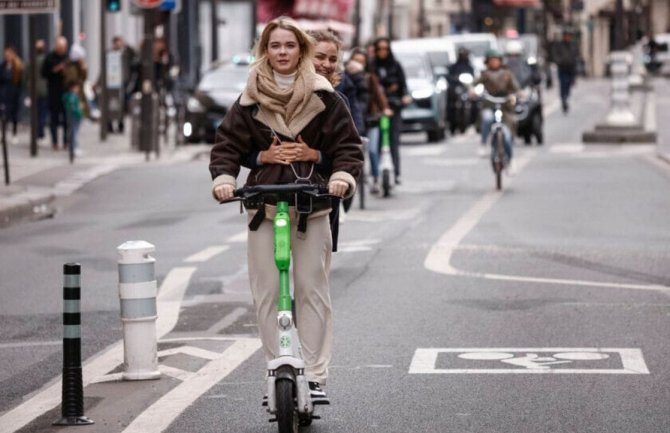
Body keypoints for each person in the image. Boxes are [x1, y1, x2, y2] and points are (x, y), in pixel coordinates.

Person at [209, 16, 363, 400]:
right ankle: (276, 367)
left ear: (302, 50)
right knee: (265, 290)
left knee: (311, 288)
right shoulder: (248, 98)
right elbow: (226, 145)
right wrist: (227, 178)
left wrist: (341, 175)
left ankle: (315, 374)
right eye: (275, 46)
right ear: (265, 51)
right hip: (263, 204)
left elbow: (348, 146)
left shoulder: (326, 96)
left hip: (312, 204)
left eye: (290, 46)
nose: (282, 52)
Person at [307, 29, 363, 220]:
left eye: (333, 59)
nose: (326, 64)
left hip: (322, 191)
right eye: (320, 57)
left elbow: (347, 150)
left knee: (319, 248)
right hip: (278, 190)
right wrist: (263, 156)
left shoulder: (337, 99)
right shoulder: (279, 93)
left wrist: (316, 156)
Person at [347, 47, 393, 194]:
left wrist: (384, 108)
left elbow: (379, 95)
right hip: (353, 121)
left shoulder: (370, 77)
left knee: (373, 151)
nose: (358, 64)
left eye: (362, 61)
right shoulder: (345, 78)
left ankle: (375, 178)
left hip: (371, 119)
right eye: (356, 61)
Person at [371, 37, 411, 185]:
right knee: (376, 143)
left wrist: (405, 96)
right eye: (379, 49)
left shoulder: (395, 65)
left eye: (385, 49)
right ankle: (375, 174)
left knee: (393, 140)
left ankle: (396, 173)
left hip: (394, 108)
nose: (383, 52)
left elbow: (404, 86)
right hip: (377, 110)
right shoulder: (372, 66)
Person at [472, 49, 519, 172]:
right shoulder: (485, 74)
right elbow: (473, 84)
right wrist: (473, 90)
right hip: (489, 105)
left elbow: (516, 88)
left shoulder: (507, 73)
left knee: (507, 136)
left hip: (505, 107)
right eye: (492, 60)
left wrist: (515, 95)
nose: (494, 62)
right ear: (488, 62)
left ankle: (511, 160)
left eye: (496, 60)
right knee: (487, 118)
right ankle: (483, 144)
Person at [108, 35, 139, 133]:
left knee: (121, 105)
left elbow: (135, 55)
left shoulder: (126, 53)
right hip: (111, 83)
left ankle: (120, 125)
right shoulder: (110, 54)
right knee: (111, 104)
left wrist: (126, 45)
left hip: (123, 82)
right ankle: (110, 125)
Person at [42, 36, 69, 150]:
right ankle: (54, 142)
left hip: (66, 92)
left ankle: (66, 141)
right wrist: (56, 69)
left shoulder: (68, 58)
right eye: (60, 47)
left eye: (63, 47)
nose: (62, 49)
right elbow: (43, 73)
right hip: (53, 92)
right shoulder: (49, 58)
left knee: (66, 119)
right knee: (54, 119)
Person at [0, 45, 24, 143]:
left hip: (14, 93)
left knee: (14, 114)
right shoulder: (3, 66)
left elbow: (21, 81)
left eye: (9, 54)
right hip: (4, 93)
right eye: (6, 54)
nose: (7, 56)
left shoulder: (18, 66)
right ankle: (3, 134)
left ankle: (14, 133)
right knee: (4, 114)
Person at [551, 30, 579, 113]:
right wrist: (559, 61)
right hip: (562, 68)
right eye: (566, 36)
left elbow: (576, 56)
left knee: (569, 84)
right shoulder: (559, 45)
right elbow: (555, 54)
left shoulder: (573, 45)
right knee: (563, 84)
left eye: (569, 36)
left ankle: (566, 97)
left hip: (571, 68)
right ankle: (563, 98)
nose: (567, 37)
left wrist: (575, 67)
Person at [62, 80, 83, 156]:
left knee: (73, 132)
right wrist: (79, 112)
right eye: (77, 88)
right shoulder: (73, 96)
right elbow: (74, 107)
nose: (78, 89)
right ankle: (75, 148)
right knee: (74, 133)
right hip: (75, 115)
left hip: (73, 115)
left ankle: (74, 147)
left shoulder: (69, 96)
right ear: (72, 88)